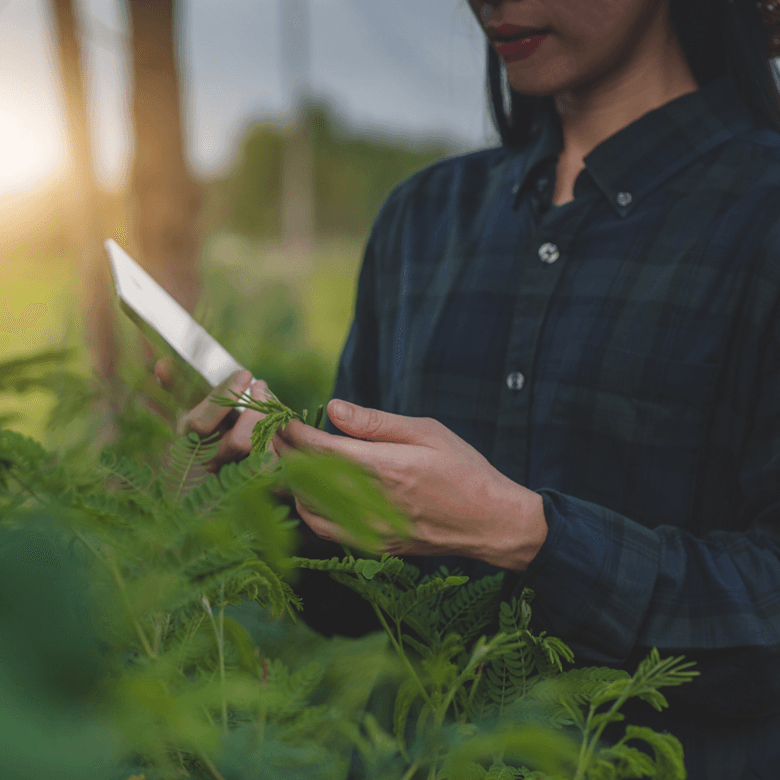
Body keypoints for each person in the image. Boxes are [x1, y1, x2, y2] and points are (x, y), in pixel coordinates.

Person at [156, 0, 780, 776]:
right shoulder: (423, 221)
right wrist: (267, 495)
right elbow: (370, 597)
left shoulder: (762, 214)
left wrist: (525, 532)